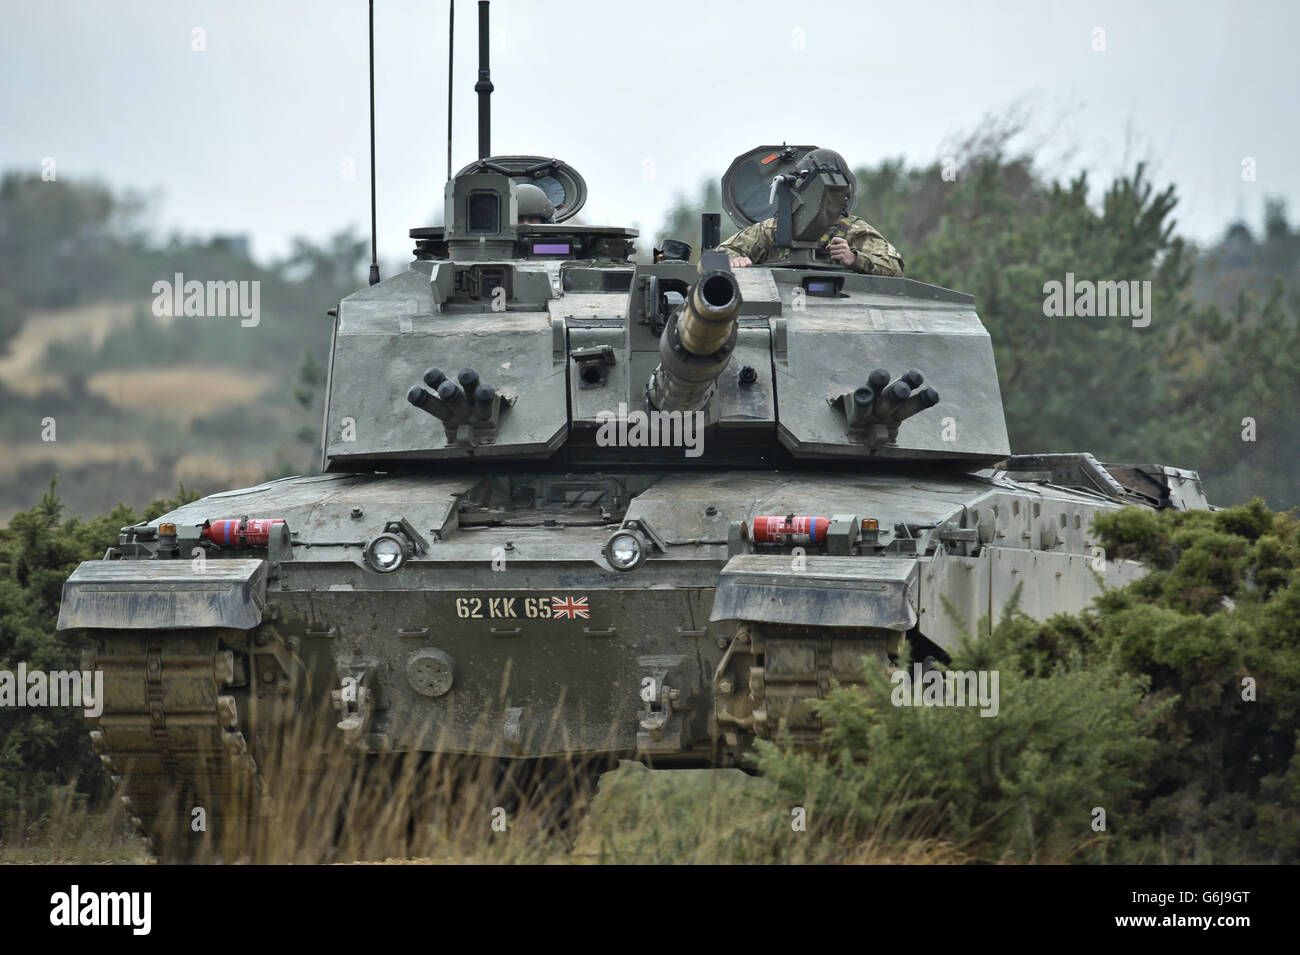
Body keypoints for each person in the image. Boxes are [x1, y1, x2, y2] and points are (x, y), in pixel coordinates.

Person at [718, 148, 904, 276]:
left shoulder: (852, 230)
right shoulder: (772, 229)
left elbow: (895, 267)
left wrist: (853, 258)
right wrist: (732, 260)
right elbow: (713, 258)